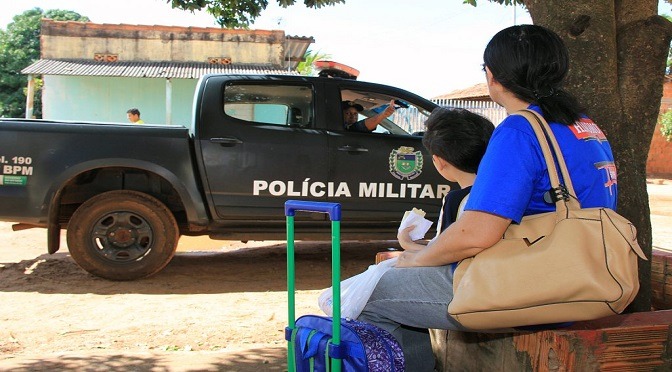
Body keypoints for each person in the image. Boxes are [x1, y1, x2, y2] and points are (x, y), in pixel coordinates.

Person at [357, 24, 618, 371]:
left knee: (363, 298)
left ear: (492, 76)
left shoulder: (519, 130)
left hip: (536, 286)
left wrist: (416, 259)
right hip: (584, 274)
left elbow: (476, 234)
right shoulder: (584, 126)